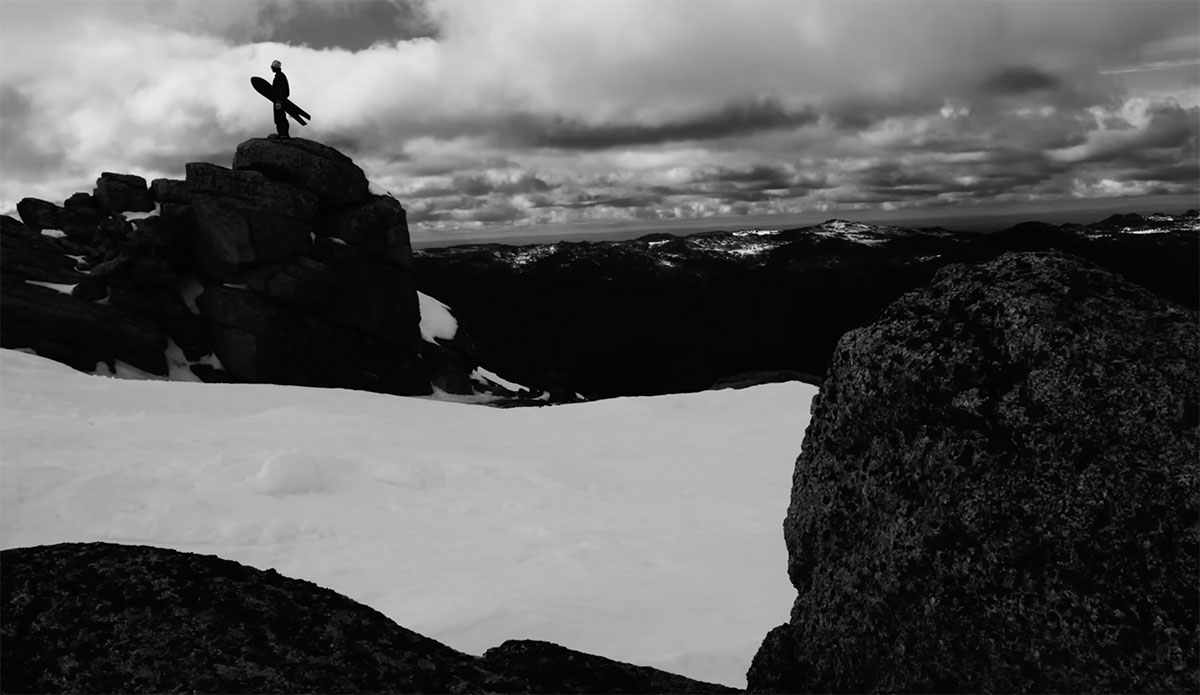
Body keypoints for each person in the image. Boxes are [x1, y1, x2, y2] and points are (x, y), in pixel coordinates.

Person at [270, 59, 290, 138]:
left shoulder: (280, 76)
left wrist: (279, 100)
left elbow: (282, 90)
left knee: (280, 116)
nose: (271, 68)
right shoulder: (280, 75)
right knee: (279, 116)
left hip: (279, 101)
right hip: (279, 100)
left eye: (272, 67)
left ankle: (283, 133)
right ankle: (282, 133)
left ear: (275, 67)